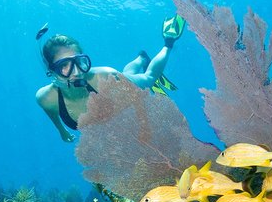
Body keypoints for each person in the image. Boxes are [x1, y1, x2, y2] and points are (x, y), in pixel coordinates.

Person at [35, 15, 186, 142]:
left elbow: (137, 101)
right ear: (51, 71)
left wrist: (144, 125)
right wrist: (62, 131)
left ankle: (168, 43)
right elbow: (53, 113)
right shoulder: (46, 98)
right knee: (127, 74)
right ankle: (141, 59)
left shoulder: (105, 76)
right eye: (64, 66)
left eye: (79, 62)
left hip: (117, 88)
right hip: (113, 88)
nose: (76, 72)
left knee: (149, 78)